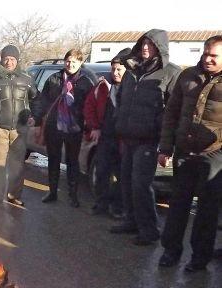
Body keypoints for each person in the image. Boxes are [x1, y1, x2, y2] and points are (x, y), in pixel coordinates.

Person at [157, 35, 222, 271]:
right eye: (205, 53)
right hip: (184, 150)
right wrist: (165, 147)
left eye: (214, 55)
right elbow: (171, 115)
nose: (208, 59)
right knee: (178, 205)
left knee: (207, 211)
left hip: (215, 155)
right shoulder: (188, 76)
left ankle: (199, 258)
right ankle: (170, 251)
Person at [110, 29, 181, 245]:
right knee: (127, 181)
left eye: (151, 44)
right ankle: (131, 220)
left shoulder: (170, 73)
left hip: (150, 139)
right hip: (128, 136)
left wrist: (166, 145)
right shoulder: (132, 70)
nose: (146, 48)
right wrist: (118, 122)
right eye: (144, 44)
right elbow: (121, 100)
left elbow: (174, 109)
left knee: (141, 185)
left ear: (161, 47)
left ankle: (149, 230)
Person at [0, 45, 39, 206]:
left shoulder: (27, 78)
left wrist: (34, 116)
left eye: (12, 59)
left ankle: (14, 195)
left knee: (17, 166)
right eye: (6, 59)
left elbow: (37, 99)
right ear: (2, 59)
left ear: (17, 60)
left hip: (20, 130)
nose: (9, 62)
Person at [37, 49, 97, 207]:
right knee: (53, 160)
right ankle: (52, 192)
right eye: (68, 61)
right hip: (54, 127)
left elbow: (90, 106)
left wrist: (88, 125)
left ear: (80, 63)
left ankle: (72, 195)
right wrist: (37, 118)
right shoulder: (54, 78)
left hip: (74, 128)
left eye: (74, 62)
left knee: (72, 162)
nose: (70, 64)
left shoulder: (85, 82)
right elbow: (43, 101)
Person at [83, 48, 131, 218]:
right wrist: (94, 126)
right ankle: (101, 204)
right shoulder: (102, 86)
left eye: (119, 69)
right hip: (105, 137)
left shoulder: (131, 88)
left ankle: (117, 207)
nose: (116, 73)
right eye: (113, 69)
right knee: (101, 172)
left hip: (123, 140)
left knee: (121, 176)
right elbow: (89, 106)